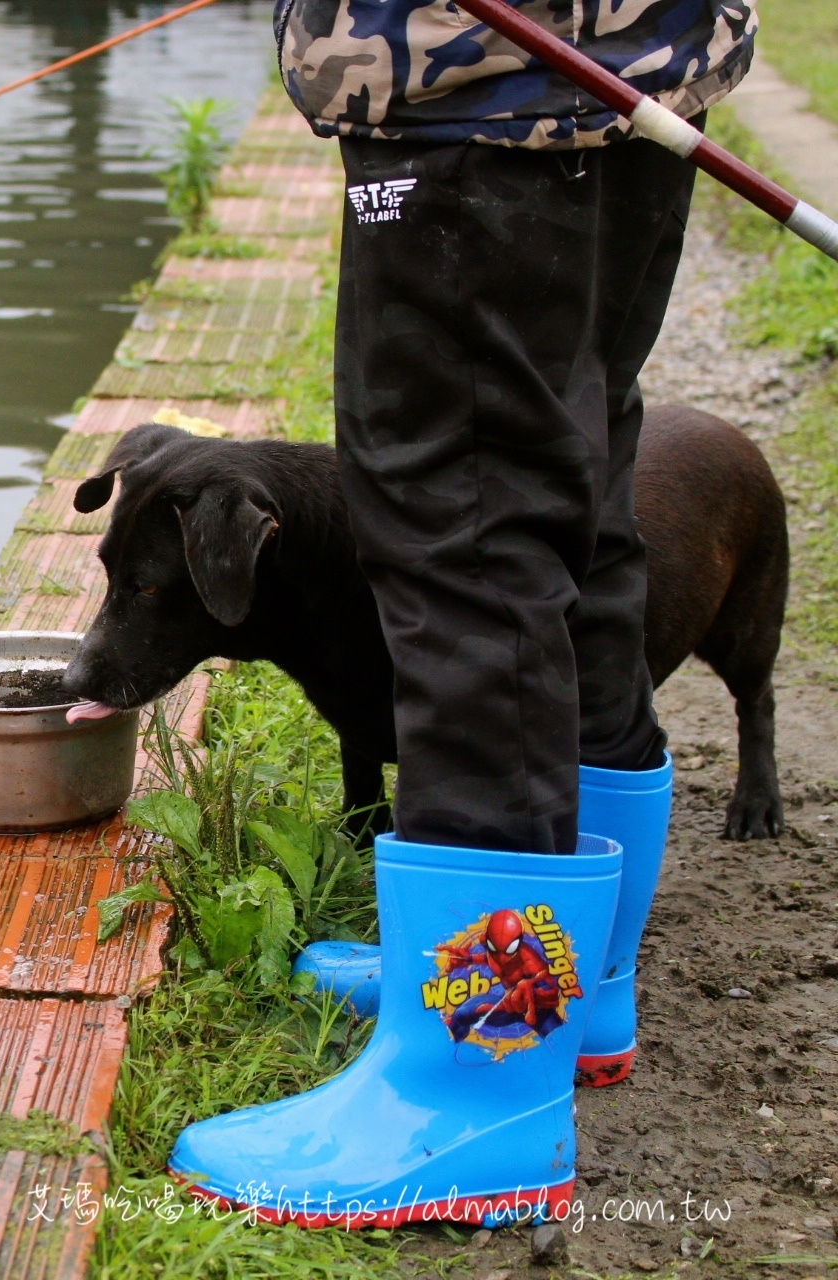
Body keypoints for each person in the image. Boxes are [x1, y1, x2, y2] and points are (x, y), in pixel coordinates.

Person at [165, 0, 753, 1227]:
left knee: (464, 535)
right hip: (624, 69)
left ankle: (475, 1085)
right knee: (567, 504)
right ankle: (566, 985)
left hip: (478, 85)